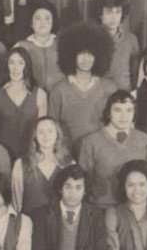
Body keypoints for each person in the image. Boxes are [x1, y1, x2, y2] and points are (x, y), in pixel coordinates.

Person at [77, 91, 147, 209]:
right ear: (108, 113)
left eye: (129, 110)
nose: (124, 116)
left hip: (134, 210)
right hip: (101, 209)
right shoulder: (90, 142)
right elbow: (83, 184)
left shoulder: (145, 141)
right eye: (117, 110)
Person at [48, 21, 117, 153]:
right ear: (71, 55)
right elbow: (52, 128)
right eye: (81, 54)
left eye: (91, 54)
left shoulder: (109, 88)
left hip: (101, 153)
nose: (86, 59)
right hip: (67, 155)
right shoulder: (59, 90)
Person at [0, 47, 48, 161]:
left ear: (27, 66)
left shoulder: (40, 94)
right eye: (11, 63)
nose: (16, 68)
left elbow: (42, 130)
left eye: (21, 63)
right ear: (6, 66)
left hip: (30, 155)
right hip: (2, 154)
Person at [10, 115, 72, 215]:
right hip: (30, 224)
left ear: (57, 134)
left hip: (59, 225)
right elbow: (16, 203)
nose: (46, 136)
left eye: (50, 131)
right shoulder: (21, 165)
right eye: (41, 132)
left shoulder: (69, 164)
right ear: (35, 136)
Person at [13, 0, 62, 93]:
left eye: (47, 18)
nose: (42, 23)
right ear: (31, 22)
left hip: (58, 99)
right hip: (30, 98)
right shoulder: (21, 46)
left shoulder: (62, 45)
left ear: (53, 21)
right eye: (38, 18)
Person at [95, 0, 138, 91]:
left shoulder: (131, 39)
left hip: (125, 95)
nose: (113, 17)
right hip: (99, 96)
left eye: (118, 12)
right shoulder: (91, 37)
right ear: (100, 14)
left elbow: (135, 72)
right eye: (109, 12)